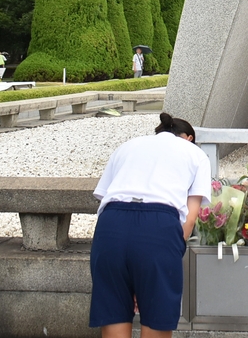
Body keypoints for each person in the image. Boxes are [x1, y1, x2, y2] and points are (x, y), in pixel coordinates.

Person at [89, 112, 213, 338]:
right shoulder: (195, 153)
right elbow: (190, 219)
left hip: (111, 225)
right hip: (158, 227)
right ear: (189, 138)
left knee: (113, 314)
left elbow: (106, 194)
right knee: (156, 318)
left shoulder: (127, 146)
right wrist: (161, 261)